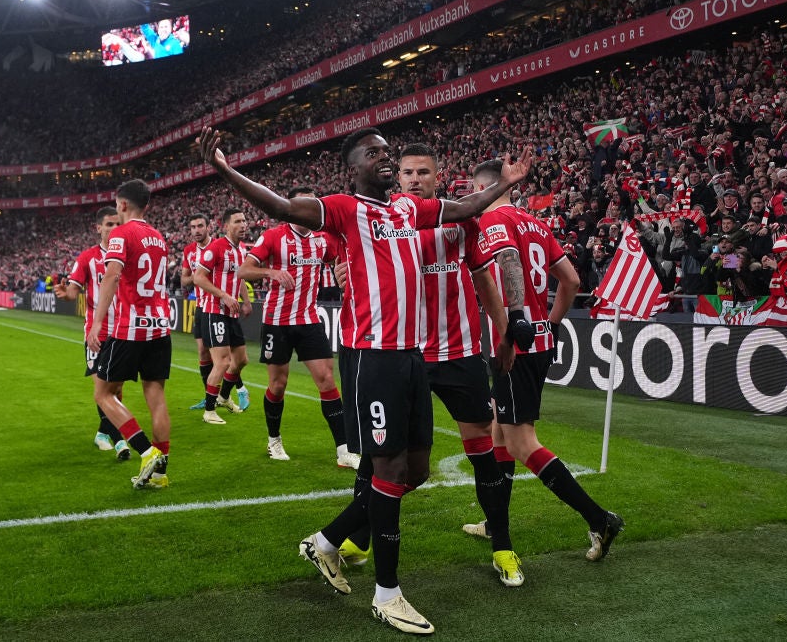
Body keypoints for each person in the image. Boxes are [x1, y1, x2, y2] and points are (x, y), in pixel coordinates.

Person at [198, 125, 532, 635]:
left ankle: (327, 543)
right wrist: (225, 170)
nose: (386, 157)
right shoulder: (343, 209)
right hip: (374, 360)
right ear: (353, 167)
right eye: (374, 153)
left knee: (415, 471)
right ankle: (388, 594)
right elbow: (283, 207)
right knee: (390, 467)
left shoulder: (405, 210)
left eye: (387, 151)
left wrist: (503, 184)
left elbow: (463, 209)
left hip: (413, 359)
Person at [342, 142, 523, 586]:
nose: (415, 179)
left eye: (424, 172)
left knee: (484, 452)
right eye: (408, 172)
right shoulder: (385, 220)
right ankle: (360, 538)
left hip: (459, 352)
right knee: (380, 457)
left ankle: (502, 545)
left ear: (437, 178)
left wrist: (503, 332)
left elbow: (483, 278)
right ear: (397, 178)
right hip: (405, 355)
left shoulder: (461, 222)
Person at [462, 159, 625, 565]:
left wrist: (520, 325)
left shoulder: (492, 221)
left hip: (511, 345)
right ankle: (495, 522)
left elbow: (508, 265)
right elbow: (570, 280)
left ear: (485, 187)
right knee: (500, 432)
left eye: (473, 188)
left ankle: (598, 517)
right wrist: (549, 324)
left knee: (519, 441)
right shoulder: (536, 223)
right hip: (537, 340)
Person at [237, 186, 360, 468]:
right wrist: (271, 272)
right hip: (277, 322)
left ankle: (344, 450)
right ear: (292, 206)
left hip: (308, 319)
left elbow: (340, 258)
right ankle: (274, 440)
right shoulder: (273, 236)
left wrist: (341, 272)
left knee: (327, 381)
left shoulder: (322, 239)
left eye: (311, 204)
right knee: (278, 385)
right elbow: (244, 270)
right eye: (301, 204)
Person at [86, 179, 173, 490]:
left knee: (103, 393)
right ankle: (161, 474)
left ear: (122, 205)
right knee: (156, 396)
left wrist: (97, 323)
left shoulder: (121, 234)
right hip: (161, 327)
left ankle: (145, 451)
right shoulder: (158, 237)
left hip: (130, 328)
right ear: (145, 205)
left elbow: (111, 276)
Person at [53, 206, 130, 461]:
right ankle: (121, 442)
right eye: (109, 225)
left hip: (123, 331)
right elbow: (74, 291)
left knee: (116, 389)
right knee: (103, 388)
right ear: (98, 228)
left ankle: (101, 433)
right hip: (96, 334)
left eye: (117, 224)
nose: (113, 229)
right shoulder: (87, 258)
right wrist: (66, 294)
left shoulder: (128, 254)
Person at [193, 208, 253, 424]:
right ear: (225, 225)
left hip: (231, 313)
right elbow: (198, 278)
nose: (244, 224)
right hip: (214, 311)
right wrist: (224, 295)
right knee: (223, 362)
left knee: (241, 360)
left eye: (245, 220)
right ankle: (209, 410)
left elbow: (240, 277)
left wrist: (245, 301)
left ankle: (224, 397)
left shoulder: (242, 249)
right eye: (238, 221)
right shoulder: (216, 248)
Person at [180, 213, 215, 410]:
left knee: (224, 357)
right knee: (203, 352)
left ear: (208, 227)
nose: (196, 230)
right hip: (201, 306)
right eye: (193, 227)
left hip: (218, 306)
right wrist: (198, 276)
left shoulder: (218, 247)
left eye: (200, 226)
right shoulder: (189, 251)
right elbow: (184, 281)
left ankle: (226, 394)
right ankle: (208, 397)